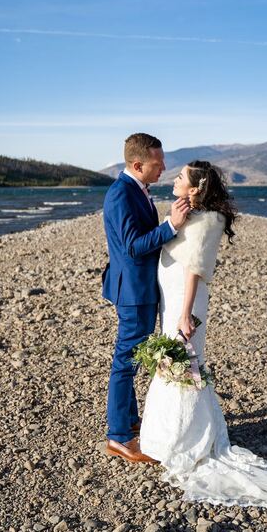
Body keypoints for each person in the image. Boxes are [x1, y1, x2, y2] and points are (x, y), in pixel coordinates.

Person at [140, 161, 267, 507]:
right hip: (171, 301)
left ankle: (185, 441)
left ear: (196, 187)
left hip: (186, 304)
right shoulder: (190, 213)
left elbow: (194, 270)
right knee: (173, 365)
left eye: (181, 177)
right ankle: (170, 436)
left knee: (182, 365)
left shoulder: (210, 220)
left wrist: (185, 314)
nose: (175, 179)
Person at [102, 133, 190, 463]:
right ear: (137, 165)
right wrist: (171, 226)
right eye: (158, 163)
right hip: (133, 292)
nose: (164, 168)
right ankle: (120, 437)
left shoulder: (135, 189)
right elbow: (133, 246)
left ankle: (127, 420)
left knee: (133, 356)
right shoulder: (120, 195)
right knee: (125, 361)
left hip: (138, 288)